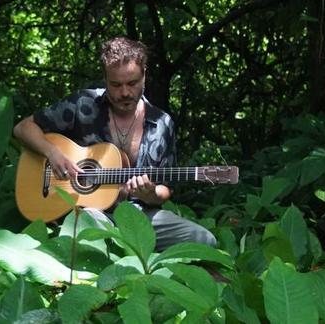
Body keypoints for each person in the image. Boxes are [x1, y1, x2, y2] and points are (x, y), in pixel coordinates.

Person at [13, 37, 217, 251]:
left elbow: (165, 188)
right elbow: (23, 128)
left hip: (139, 215)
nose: (125, 93)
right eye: (116, 84)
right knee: (90, 223)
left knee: (203, 240)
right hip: (89, 213)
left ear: (144, 75)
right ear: (105, 78)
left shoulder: (161, 124)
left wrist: (150, 195)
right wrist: (53, 153)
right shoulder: (82, 104)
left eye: (132, 83)